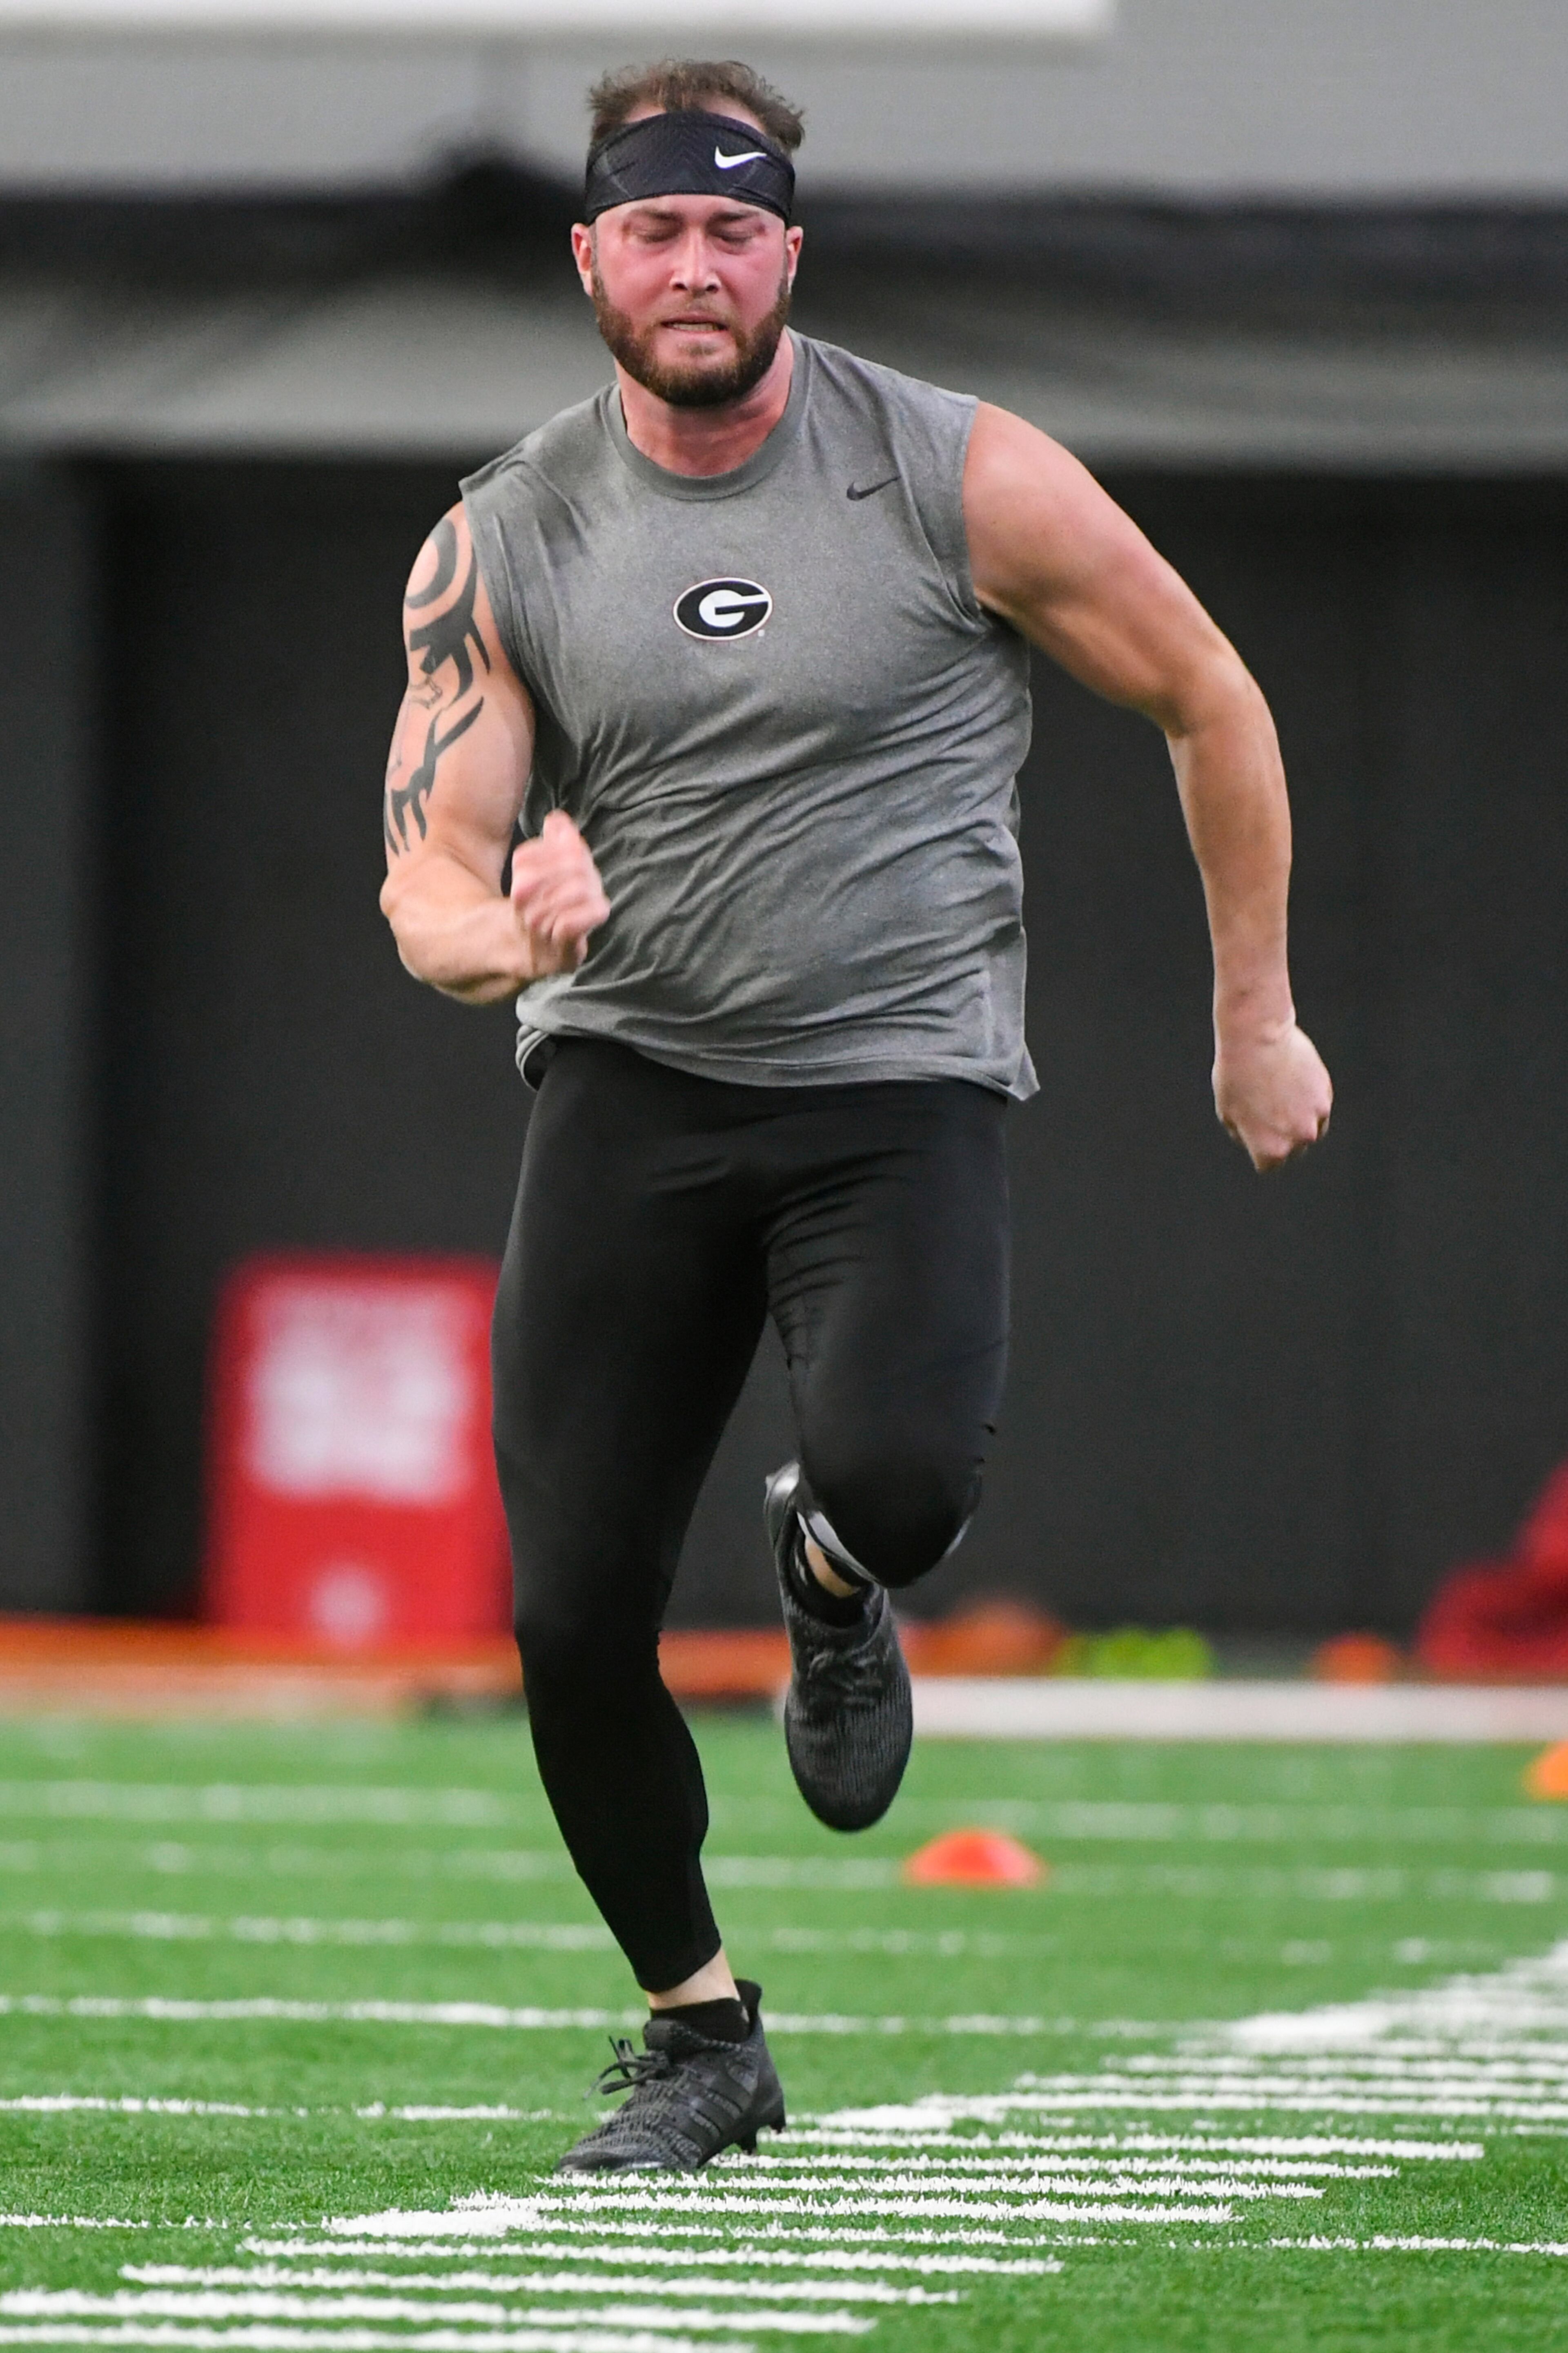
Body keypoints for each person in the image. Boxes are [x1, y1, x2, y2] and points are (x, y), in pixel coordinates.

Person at [379, 56, 1333, 2175]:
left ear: (790, 253)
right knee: (567, 1620)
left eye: (734, 229)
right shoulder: (504, 534)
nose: (694, 266)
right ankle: (700, 2031)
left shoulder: (953, 474)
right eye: (655, 228)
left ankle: (828, 1567)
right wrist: (507, 936)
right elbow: (425, 868)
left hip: (893, 1082)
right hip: (632, 1084)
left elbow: (1212, 694)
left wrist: (1254, 1014)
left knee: (899, 1486)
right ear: (590, 257)